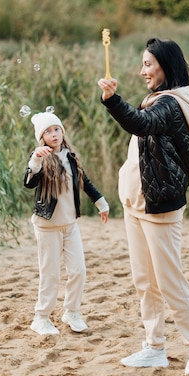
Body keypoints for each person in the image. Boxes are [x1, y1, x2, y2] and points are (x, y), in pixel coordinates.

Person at [98, 38, 189, 376]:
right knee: (144, 279)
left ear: (166, 65)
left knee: (169, 280)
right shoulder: (156, 99)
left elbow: (141, 123)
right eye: (143, 64)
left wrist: (112, 99)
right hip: (136, 204)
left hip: (159, 207)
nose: (142, 70)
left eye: (148, 64)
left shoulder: (173, 104)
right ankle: (154, 347)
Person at [24, 111, 109, 336]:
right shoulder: (41, 157)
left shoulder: (70, 156)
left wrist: (100, 202)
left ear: (62, 132)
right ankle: (41, 317)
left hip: (70, 225)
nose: (54, 134)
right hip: (47, 226)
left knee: (78, 271)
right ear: (41, 137)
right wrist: (36, 159)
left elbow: (84, 181)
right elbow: (28, 183)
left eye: (57, 129)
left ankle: (71, 312)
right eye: (48, 131)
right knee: (50, 274)